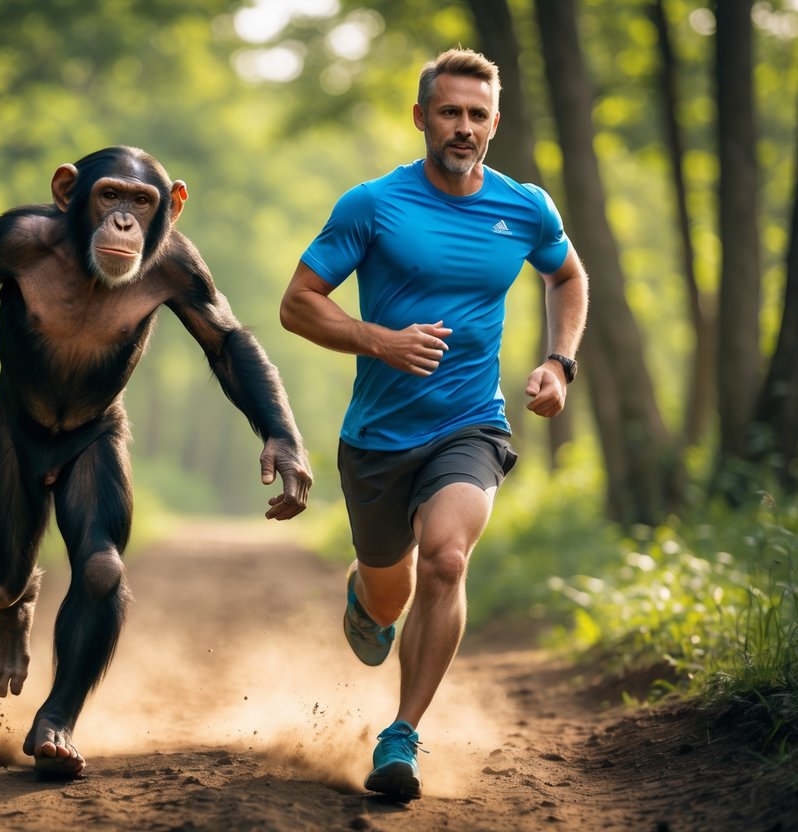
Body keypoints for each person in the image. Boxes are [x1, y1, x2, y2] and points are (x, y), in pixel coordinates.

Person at [279, 47, 588, 799]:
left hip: (470, 425)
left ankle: (400, 735)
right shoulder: (373, 205)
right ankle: (367, 598)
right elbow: (297, 303)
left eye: (477, 115)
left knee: (445, 559)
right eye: (448, 112)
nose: (462, 127)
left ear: (494, 123)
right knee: (391, 594)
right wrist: (376, 339)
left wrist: (558, 363)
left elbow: (568, 275)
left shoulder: (525, 207)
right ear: (421, 117)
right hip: (378, 439)